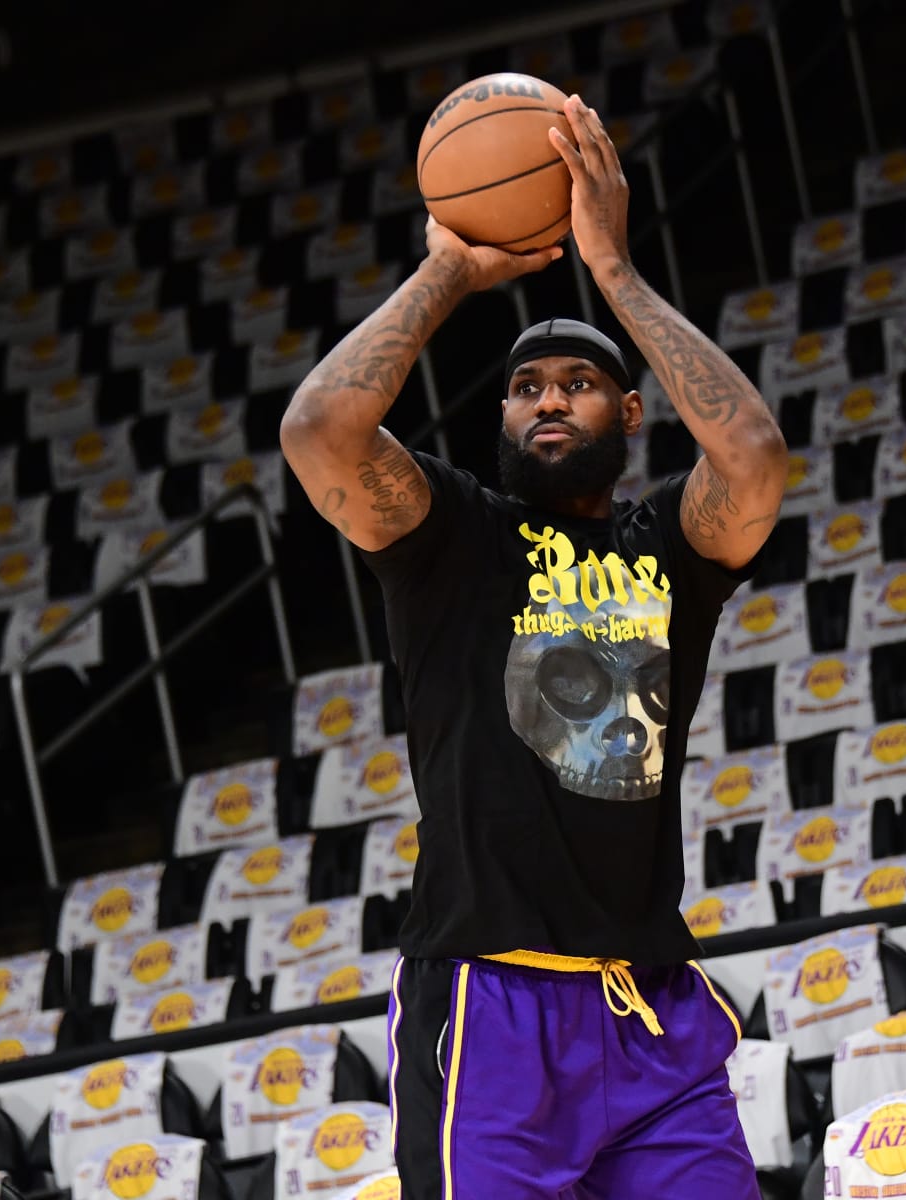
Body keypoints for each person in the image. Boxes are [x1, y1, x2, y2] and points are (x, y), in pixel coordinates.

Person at [280, 95, 787, 1198]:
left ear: (629, 412)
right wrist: (452, 273)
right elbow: (319, 430)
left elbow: (750, 453)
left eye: (578, 383)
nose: (547, 399)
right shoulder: (450, 535)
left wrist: (612, 269)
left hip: (651, 1011)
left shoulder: (667, 551)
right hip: (491, 1005)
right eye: (523, 388)